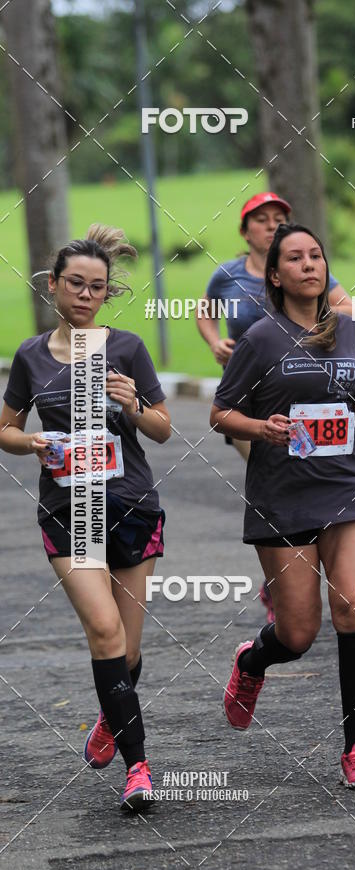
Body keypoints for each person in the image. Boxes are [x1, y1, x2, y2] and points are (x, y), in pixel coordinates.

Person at [210, 223, 355, 787]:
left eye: (317, 256)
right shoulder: (260, 339)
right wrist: (263, 427)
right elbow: (220, 414)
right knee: (298, 635)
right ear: (275, 276)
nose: (309, 265)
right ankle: (252, 661)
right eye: (295, 258)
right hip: (283, 496)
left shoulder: (348, 332)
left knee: (354, 608)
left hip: (348, 487)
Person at [0, 225, 171, 812]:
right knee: (103, 631)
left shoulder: (126, 349)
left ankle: (110, 716)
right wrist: (31, 443)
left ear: (106, 294)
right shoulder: (30, 355)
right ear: (54, 285)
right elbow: (4, 429)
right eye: (75, 283)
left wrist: (135, 404)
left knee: (124, 650)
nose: (85, 294)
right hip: (67, 511)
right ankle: (139, 767)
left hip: (130, 506)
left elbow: (163, 430)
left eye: (97, 287)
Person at [198, 192, 355, 623]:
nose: (271, 225)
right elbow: (204, 312)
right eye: (261, 220)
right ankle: (285, 576)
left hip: (303, 395)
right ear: (245, 230)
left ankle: (304, 574)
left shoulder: (302, 266)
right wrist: (216, 343)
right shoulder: (227, 275)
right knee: (279, 469)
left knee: (306, 467)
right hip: (250, 401)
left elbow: (347, 306)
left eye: (279, 218)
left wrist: (333, 329)